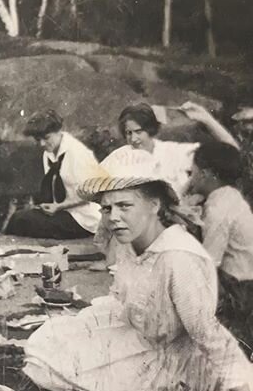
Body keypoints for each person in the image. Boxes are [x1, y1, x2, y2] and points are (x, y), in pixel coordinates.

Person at [23, 149, 253, 391]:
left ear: (154, 205)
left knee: (50, 366)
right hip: (142, 336)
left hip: (172, 364)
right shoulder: (131, 244)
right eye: (107, 209)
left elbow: (210, 336)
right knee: (45, 341)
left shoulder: (178, 257)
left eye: (124, 206)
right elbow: (126, 297)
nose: (113, 218)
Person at [92, 101, 239, 269]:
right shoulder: (121, 156)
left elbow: (230, 153)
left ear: (151, 130)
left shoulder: (173, 152)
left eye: (139, 132)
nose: (133, 139)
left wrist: (206, 119)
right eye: (128, 133)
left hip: (174, 220)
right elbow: (94, 181)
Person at [187, 141, 253, 349]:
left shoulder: (219, 209)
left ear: (206, 174)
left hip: (240, 289)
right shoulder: (229, 196)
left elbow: (208, 262)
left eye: (193, 172)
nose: (190, 178)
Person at [5, 109, 101, 239]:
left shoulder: (77, 154)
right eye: (38, 140)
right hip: (63, 212)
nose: (42, 144)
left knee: (22, 221)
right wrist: (51, 206)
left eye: (46, 138)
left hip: (84, 219)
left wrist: (59, 206)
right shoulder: (49, 154)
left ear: (58, 131)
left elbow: (92, 193)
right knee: (19, 217)